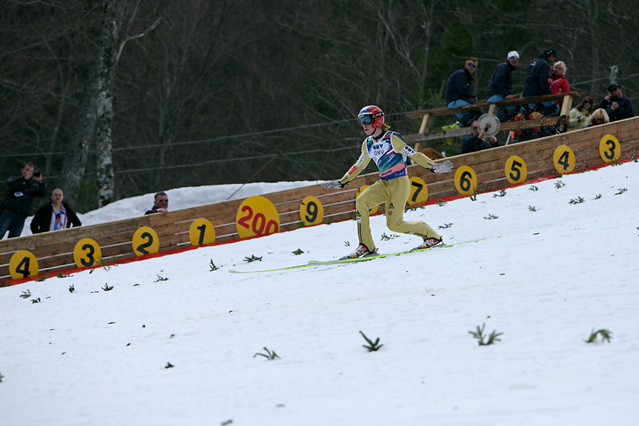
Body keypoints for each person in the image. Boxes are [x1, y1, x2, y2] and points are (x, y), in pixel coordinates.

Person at [321, 105, 453, 259]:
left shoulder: (392, 138)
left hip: (399, 183)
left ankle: (432, 236)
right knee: (361, 201)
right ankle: (366, 246)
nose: (364, 125)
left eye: (366, 120)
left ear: (377, 120)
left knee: (394, 225)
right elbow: (359, 165)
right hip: (384, 183)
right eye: (361, 122)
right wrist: (342, 181)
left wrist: (433, 167)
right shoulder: (368, 143)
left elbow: (414, 154)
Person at [0, 162, 47, 239]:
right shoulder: (14, 179)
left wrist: (40, 181)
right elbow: (10, 184)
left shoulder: (32, 186)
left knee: (14, 239)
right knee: (1, 231)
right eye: (27, 170)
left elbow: (43, 194)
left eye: (31, 171)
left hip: (21, 215)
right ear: (22, 170)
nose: (29, 172)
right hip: (9, 212)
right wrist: (24, 178)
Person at [522, 48, 558, 116]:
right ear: (551, 56)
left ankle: (522, 116)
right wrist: (549, 94)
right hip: (537, 93)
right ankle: (538, 118)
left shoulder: (533, 61)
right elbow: (543, 81)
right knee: (554, 108)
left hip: (526, 92)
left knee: (531, 110)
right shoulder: (545, 64)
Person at [486, 50, 521, 121]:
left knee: (503, 118)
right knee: (517, 108)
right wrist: (506, 95)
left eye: (517, 59)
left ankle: (507, 129)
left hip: (499, 97)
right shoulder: (503, 67)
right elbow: (498, 80)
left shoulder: (508, 70)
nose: (515, 60)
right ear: (508, 59)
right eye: (513, 58)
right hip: (495, 96)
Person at [445, 57, 480, 126]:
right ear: (466, 65)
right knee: (477, 111)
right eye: (470, 65)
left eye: (474, 66)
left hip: (457, 101)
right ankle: (459, 125)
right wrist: (472, 96)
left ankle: (458, 126)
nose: (471, 67)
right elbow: (462, 90)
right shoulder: (460, 74)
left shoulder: (467, 77)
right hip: (455, 101)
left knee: (471, 120)